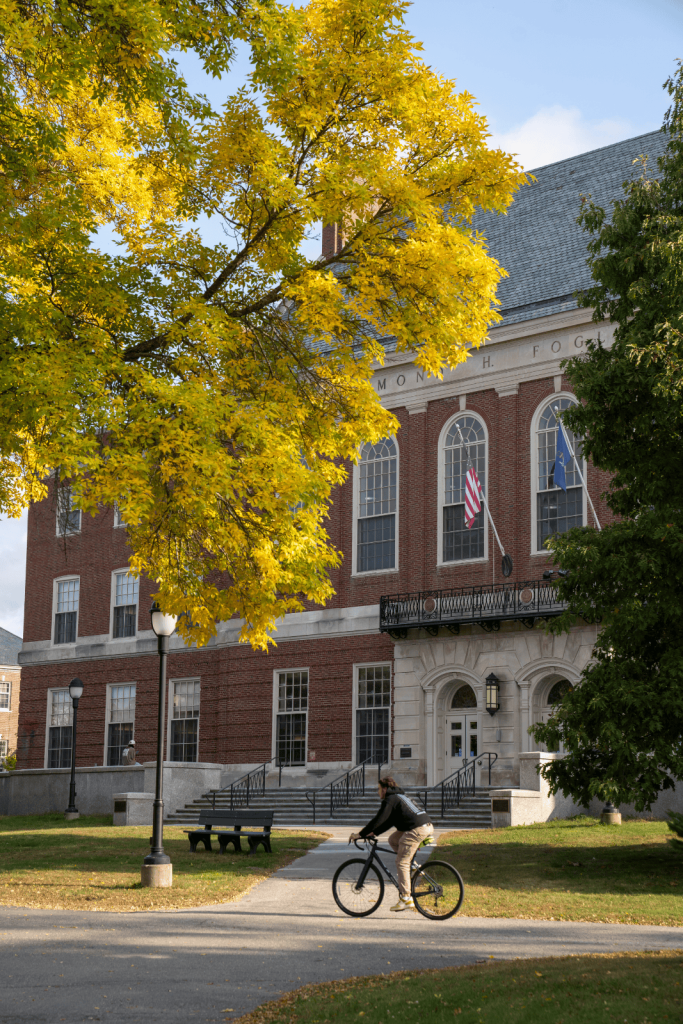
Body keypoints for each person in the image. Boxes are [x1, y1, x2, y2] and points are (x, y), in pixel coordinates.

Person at [349, 776, 434, 912]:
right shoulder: (399, 796)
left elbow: (379, 818)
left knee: (401, 862)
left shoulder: (390, 799)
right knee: (393, 840)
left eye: (378, 789)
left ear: (384, 789)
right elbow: (387, 822)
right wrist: (374, 832)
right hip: (424, 825)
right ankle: (412, 865)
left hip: (417, 829)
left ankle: (406, 898)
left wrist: (362, 833)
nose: (378, 792)